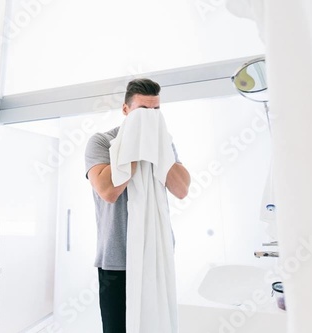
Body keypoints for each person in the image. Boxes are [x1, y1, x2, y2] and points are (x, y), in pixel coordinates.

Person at [84, 78, 190, 333]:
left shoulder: (163, 144)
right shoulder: (101, 142)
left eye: (156, 111)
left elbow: (181, 189)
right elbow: (109, 191)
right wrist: (135, 145)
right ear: (126, 110)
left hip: (155, 255)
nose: (150, 117)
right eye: (143, 110)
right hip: (117, 260)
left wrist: (157, 148)